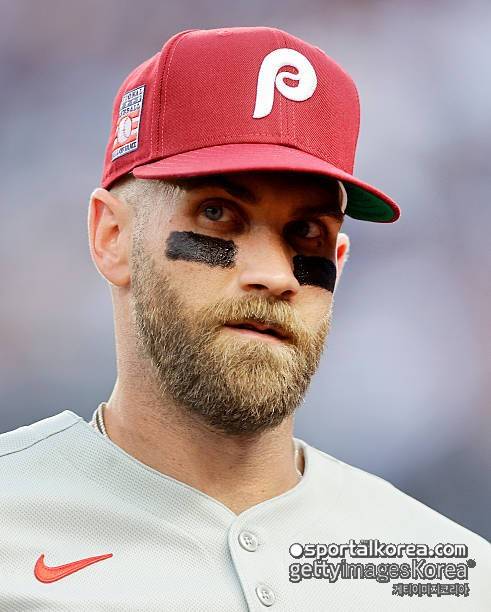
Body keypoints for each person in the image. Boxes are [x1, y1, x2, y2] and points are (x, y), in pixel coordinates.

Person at [0, 26, 489, 611]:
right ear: (112, 237)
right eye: (217, 213)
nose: (276, 275)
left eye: (306, 231)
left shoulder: (450, 576)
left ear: (338, 262)